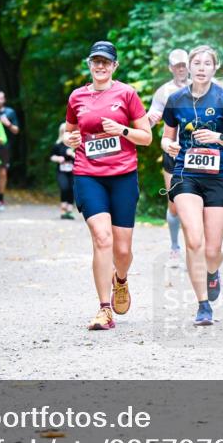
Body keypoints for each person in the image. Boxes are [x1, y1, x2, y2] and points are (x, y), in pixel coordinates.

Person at [64, 41, 152, 331]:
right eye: (95, 61)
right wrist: (71, 141)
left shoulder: (126, 94)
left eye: (106, 62)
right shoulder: (77, 96)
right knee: (102, 238)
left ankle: (121, 280)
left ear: (115, 66)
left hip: (123, 176)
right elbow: (70, 132)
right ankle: (104, 309)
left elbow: (147, 137)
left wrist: (122, 130)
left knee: (123, 250)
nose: (100, 67)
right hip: (88, 174)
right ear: (89, 64)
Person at [161, 45, 223, 326]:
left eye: (206, 63)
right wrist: (170, 146)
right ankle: (202, 305)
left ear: (215, 67)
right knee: (194, 240)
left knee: (212, 251)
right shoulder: (176, 99)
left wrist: (218, 137)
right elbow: (165, 138)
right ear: (188, 67)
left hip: (219, 177)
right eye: (196, 63)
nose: (200, 67)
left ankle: (213, 271)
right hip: (186, 174)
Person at [146, 48, 190, 267]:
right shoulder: (164, 92)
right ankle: (174, 247)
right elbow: (148, 123)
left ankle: (196, 249)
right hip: (173, 151)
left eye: (184, 64)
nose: (181, 69)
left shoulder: (201, 87)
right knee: (174, 204)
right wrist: (150, 118)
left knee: (199, 203)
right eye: (177, 65)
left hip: (199, 153)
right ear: (170, 68)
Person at [0, 90, 20, 210]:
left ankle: (1, 198)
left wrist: (7, 124)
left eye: (1, 99)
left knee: (2, 173)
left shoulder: (10, 112)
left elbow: (16, 131)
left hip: (5, 147)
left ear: (4, 100)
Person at [50, 122, 76, 219]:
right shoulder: (57, 145)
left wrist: (72, 154)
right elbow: (52, 156)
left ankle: (69, 211)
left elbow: (81, 157)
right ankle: (63, 208)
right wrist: (58, 158)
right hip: (61, 171)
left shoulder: (75, 144)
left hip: (73, 171)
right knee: (64, 187)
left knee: (72, 189)